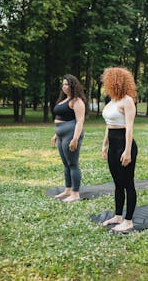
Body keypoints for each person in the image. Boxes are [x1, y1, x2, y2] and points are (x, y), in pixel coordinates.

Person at [101, 67, 138, 232]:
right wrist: (104, 144)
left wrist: (128, 150)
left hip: (124, 144)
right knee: (117, 183)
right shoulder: (111, 102)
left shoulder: (127, 100)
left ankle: (128, 220)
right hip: (113, 145)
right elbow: (109, 125)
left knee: (127, 183)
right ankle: (118, 216)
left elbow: (129, 127)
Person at [51, 74, 86, 203]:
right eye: (63, 84)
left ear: (73, 86)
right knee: (66, 164)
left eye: (67, 84)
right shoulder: (64, 100)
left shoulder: (77, 101)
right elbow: (61, 117)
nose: (64, 87)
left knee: (73, 163)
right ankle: (68, 189)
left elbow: (80, 121)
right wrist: (56, 134)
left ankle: (75, 193)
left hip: (71, 134)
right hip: (61, 135)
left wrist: (75, 138)